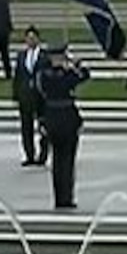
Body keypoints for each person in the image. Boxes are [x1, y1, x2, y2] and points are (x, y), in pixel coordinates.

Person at [37, 43, 91, 209]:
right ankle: (66, 197)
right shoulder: (68, 75)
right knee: (67, 161)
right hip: (67, 119)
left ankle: (59, 197)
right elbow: (85, 75)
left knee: (57, 162)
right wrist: (76, 63)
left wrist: (42, 121)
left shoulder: (43, 76)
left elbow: (39, 97)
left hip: (51, 118)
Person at [12, 26, 49, 167]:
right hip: (25, 97)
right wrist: (16, 94)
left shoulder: (44, 56)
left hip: (41, 97)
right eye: (28, 38)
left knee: (43, 127)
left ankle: (43, 155)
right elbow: (18, 76)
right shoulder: (21, 56)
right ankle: (29, 155)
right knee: (26, 128)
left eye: (33, 38)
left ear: (38, 39)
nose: (30, 40)